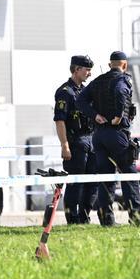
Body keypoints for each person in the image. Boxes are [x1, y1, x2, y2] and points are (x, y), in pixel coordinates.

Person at [78, 51, 140, 227]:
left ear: (109, 65)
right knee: (129, 175)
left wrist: (95, 115)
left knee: (106, 178)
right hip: (116, 134)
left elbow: (80, 100)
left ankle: (107, 220)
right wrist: (119, 115)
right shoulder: (123, 79)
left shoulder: (97, 81)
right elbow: (121, 92)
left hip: (98, 135)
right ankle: (136, 219)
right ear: (124, 65)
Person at [53, 55, 98, 225]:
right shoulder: (65, 92)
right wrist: (65, 145)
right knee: (75, 183)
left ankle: (84, 217)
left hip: (91, 140)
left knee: (92, 182)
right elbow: (60, 120)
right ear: (77, 69)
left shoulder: (86, 92)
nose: (89, 73)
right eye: (87, 69)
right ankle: (72, 219)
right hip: (76, 142)